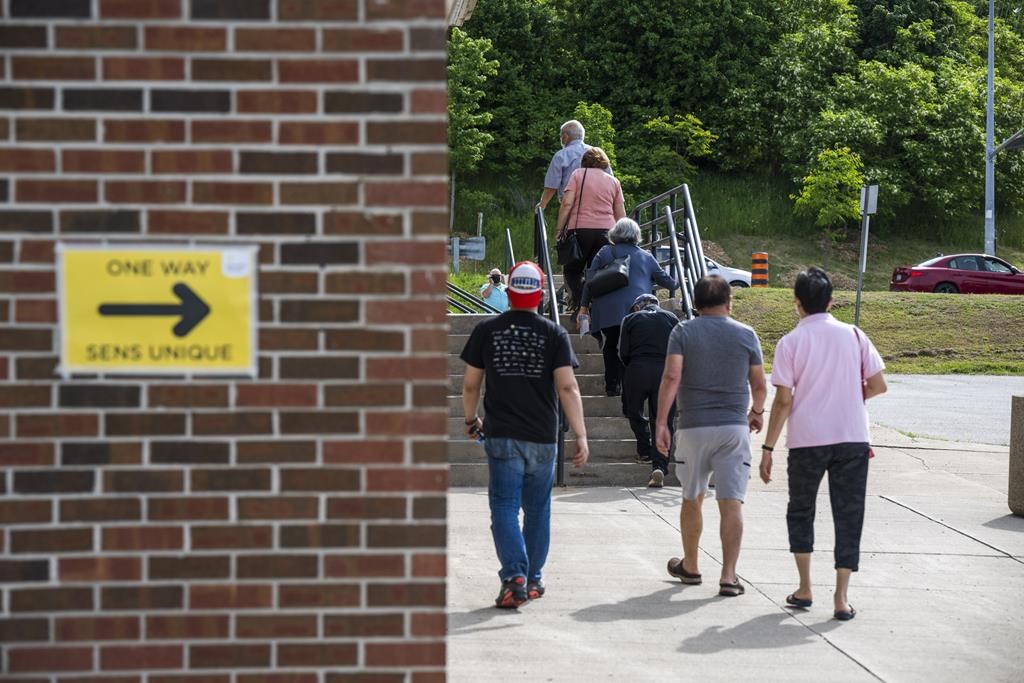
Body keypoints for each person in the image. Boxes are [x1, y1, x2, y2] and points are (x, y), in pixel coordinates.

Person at [758, 267, 886, 621]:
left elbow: (783, 401)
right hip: (852, 438)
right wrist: (850, 394)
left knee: (801, 510)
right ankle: (842, 597)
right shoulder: (856, 336)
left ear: (797, 304)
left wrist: (767, 449)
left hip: (807, 440)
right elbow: (877, 385)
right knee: (849, 513)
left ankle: (804, 587)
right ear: (831, 301)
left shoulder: (790, 343)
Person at [460, 261, 590, 609]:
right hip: (543, 437)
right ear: (540, 292)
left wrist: (470, 419)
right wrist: (581, 434)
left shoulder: (487, 330)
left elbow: (472, 384)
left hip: (502, 435)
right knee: (537, 510)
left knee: (504, 506)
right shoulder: (554, 334)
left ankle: (514, 575)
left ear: (510, 290)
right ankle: (531, 579)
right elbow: (567, 386)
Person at [654, 275, 767, 597]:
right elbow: (759, 385)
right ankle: (729, 576)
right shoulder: (747, 334)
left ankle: (690, 565)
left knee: (693, 497)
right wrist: (756, 412)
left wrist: (662, 421)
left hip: (693, 426)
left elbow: (672, 375)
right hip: (734, 428)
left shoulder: (683, 332)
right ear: (729, 302)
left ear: (695, 304)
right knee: (732, 502)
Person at [579, 217, 674, 396]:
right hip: (637, 311)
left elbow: (589, 282)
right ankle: (628, 385)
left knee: (611, 344)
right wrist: (679, 284)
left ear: (614, 233)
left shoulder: (605, 252)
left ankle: (611, 386)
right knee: (632, 347)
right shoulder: (646, 256)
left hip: (607, 310)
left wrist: (583, 307)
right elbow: (667, 282)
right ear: (636, 235)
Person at [618, 293, 679, 487]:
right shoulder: (672, 318)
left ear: (638, 307)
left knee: (632, 410)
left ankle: (644, 448)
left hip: (638, 368)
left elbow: (623, 351)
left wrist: (632, 364)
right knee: (663, 419)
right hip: (665, 370)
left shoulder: (630, 319)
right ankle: (659, 465)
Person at [555, 147, 626, 313]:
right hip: (606, 233)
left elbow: (566, 204)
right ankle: (593, 307)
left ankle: (581, 302)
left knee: (572, 270)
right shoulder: (614, 181)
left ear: (584, 161)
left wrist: (559, 229)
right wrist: (622, 239)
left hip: (580, 230)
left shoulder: (578, 175)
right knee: (597, 271)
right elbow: (621, 214)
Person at [537, 119, 609, 211]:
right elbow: (610, 179)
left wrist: (542, 205)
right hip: (600, 206)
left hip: (571, 207)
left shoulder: (561, 155)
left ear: (565, 137)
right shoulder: (598, 153)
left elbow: (551, 185)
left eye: (561, 136)